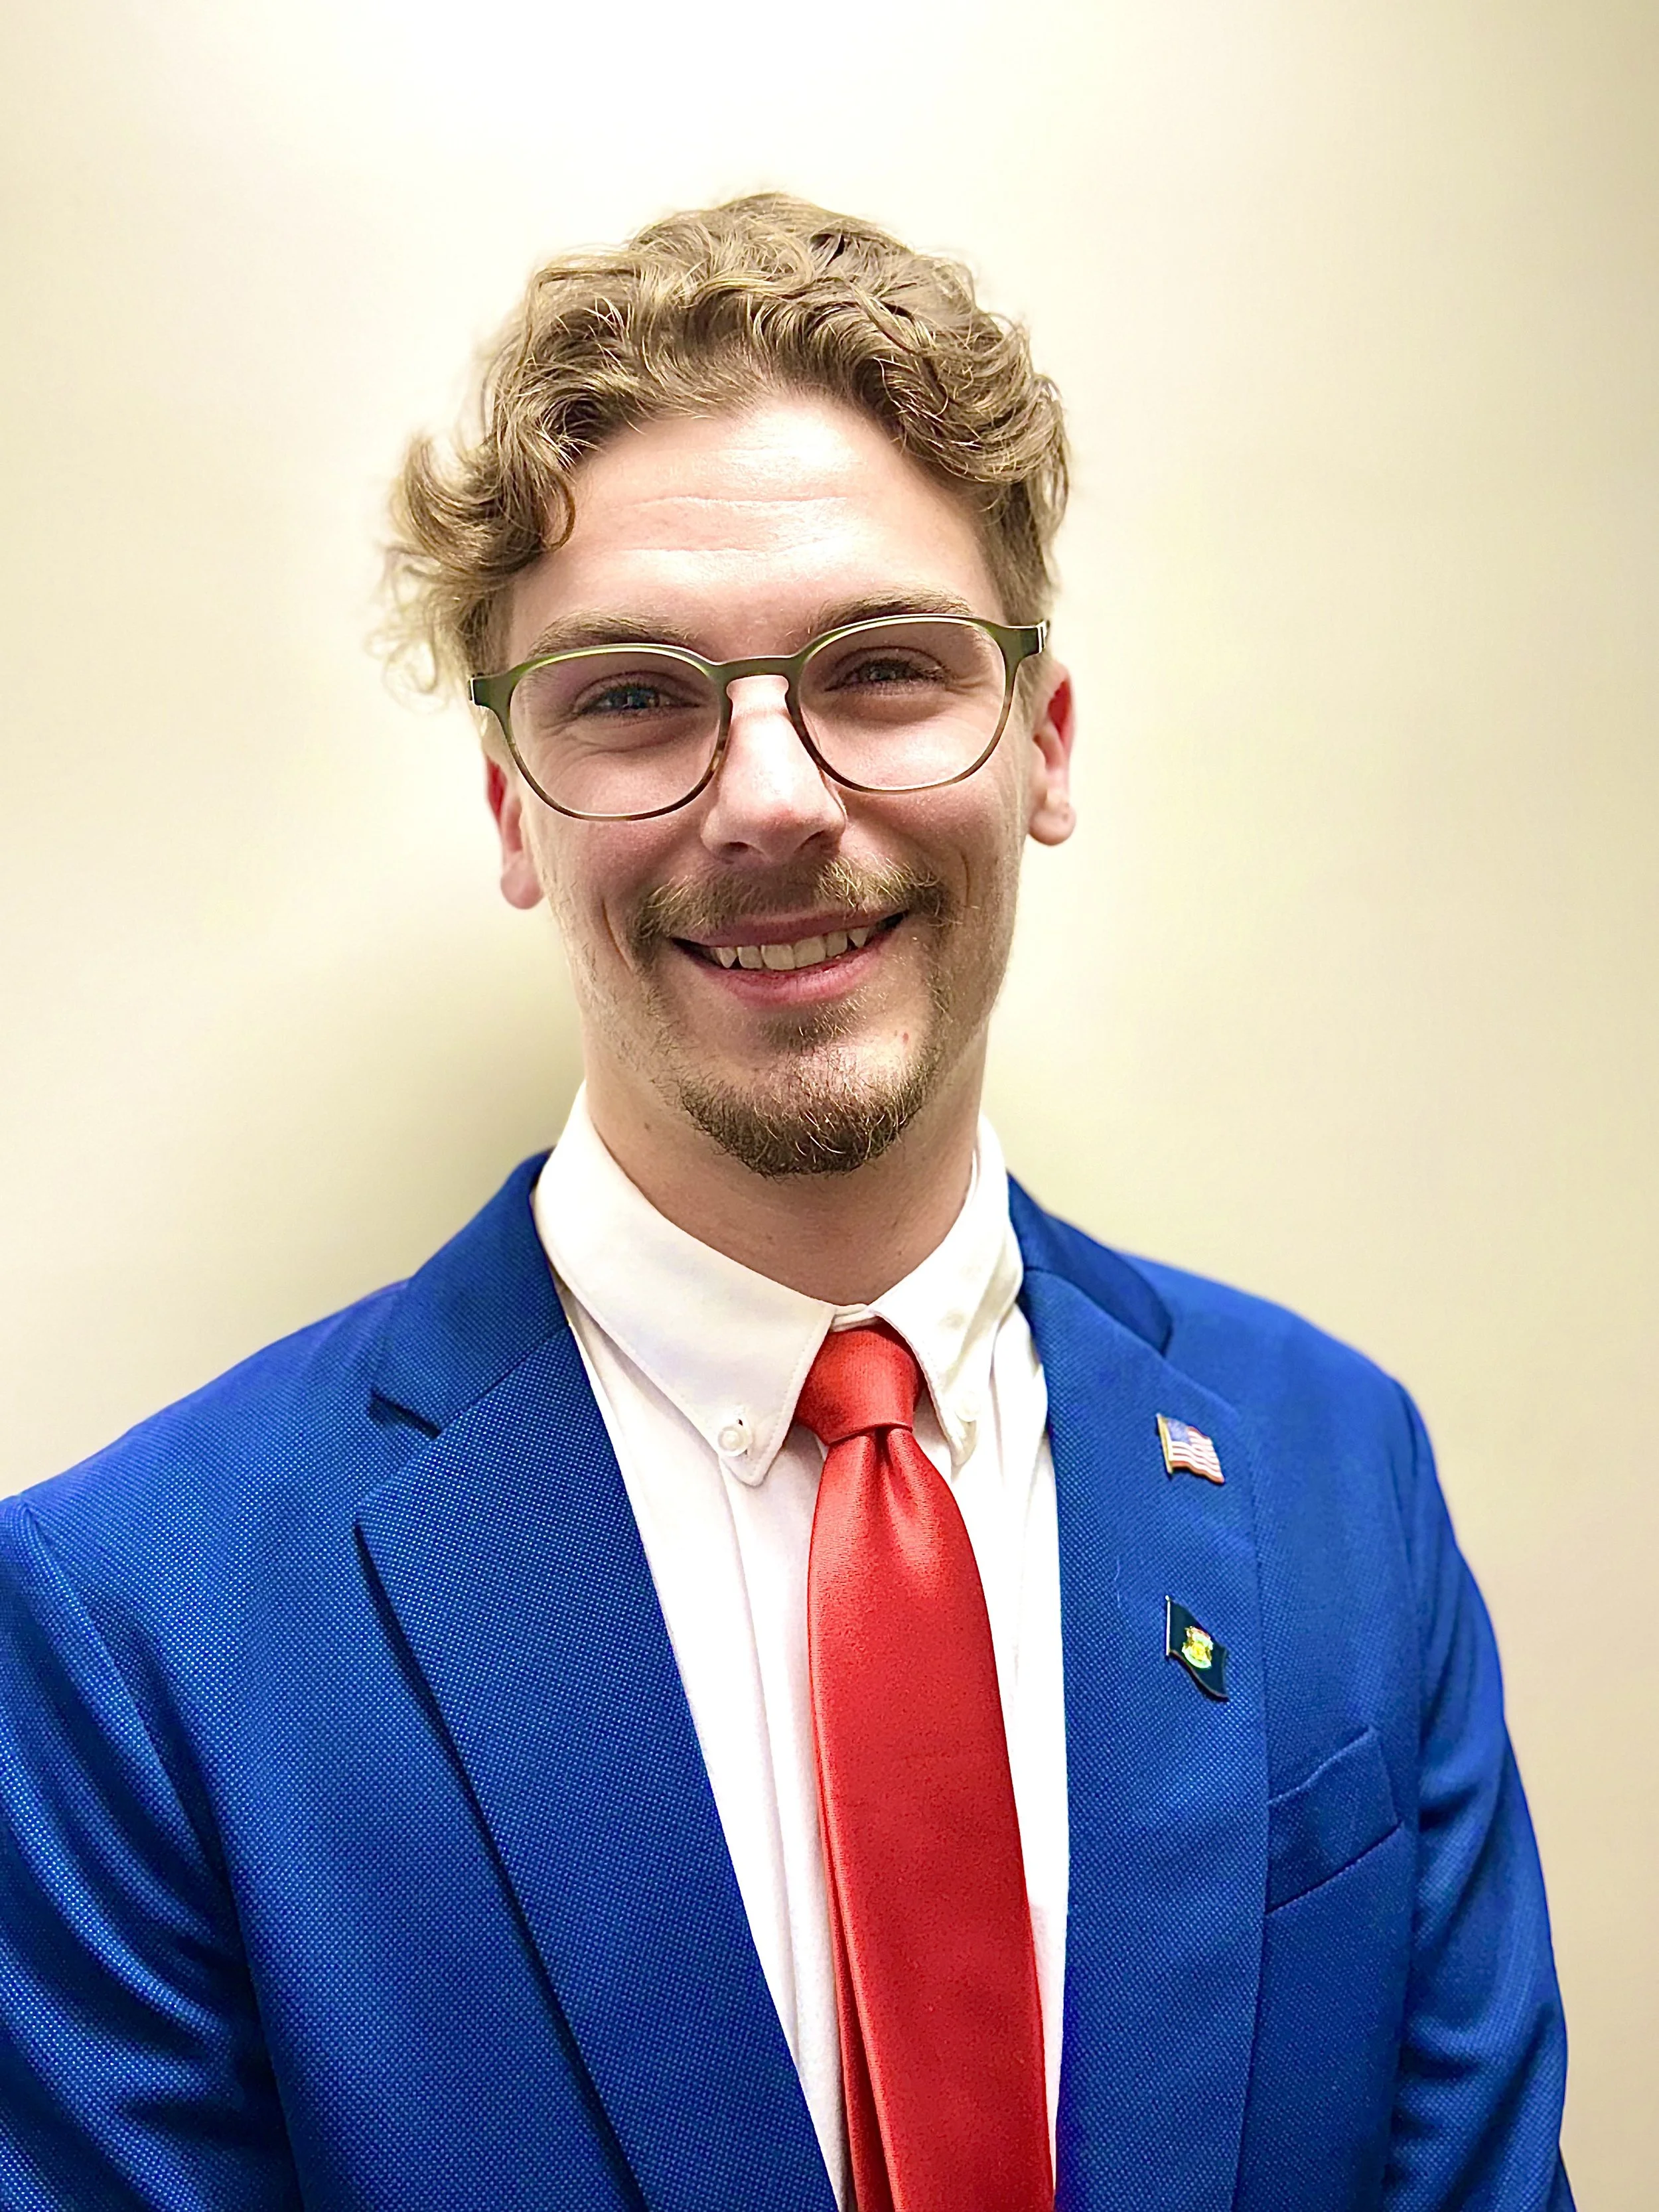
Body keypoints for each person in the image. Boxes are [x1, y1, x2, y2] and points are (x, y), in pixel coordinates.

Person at [0, 196, 1570, 2212]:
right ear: (511, 809)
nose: (765, 798)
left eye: (885, 670)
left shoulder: (1335, 1474)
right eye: (633, 696)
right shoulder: (126, 1634)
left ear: (1041, 744)